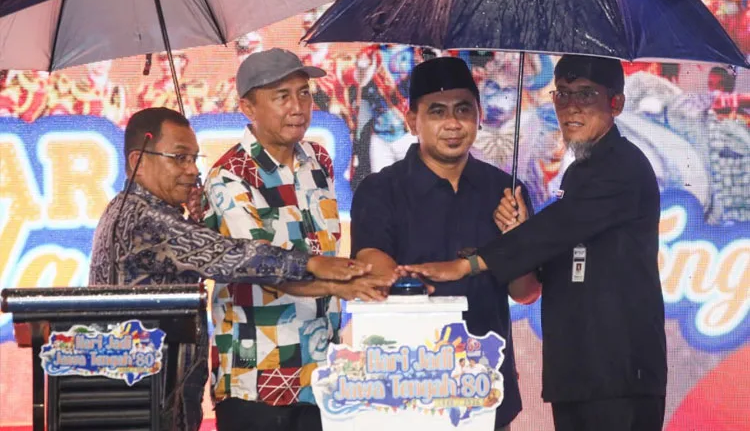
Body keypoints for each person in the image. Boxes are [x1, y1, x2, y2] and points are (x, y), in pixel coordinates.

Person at [404, 55, 667, 431]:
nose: (571, 107)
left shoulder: (623, 167)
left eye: (586, 95)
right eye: (562, 94)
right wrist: (518, 232)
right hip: (577, 373)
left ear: (617, 103)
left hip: (619, 374)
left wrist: (468, 264)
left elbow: (558, 228)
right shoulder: (579, 172)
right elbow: (550, 253)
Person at [88, 107, 371, 431]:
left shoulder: (129, 209)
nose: (192, 170)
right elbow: (233, 257)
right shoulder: (146, 219)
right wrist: (314, 264)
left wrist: (193, 222)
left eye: (194, 158)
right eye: (179, 158)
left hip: (140, 395)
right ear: (138, 161)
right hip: (141, 400)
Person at [203, 48, 393, 431]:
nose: (298, 107)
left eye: (303, 93)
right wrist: (342, 285)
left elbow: (323, 246)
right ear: (248, 108)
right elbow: (261, 265)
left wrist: (355, 278)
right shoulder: (230, 176)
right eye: (282, 96)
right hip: (256, 379)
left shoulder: (317, 160)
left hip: (320, 375)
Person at [351, 56, 541, 431]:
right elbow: (371, 262)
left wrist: (517, 241)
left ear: (479, 116)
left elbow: (526, 293)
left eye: (463, 110)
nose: (453, 124)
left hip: (486, 387)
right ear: (412, 120)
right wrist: (405, 282)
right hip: (410, 386)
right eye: (437, 112)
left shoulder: (505, 191)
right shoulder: (381, 190)